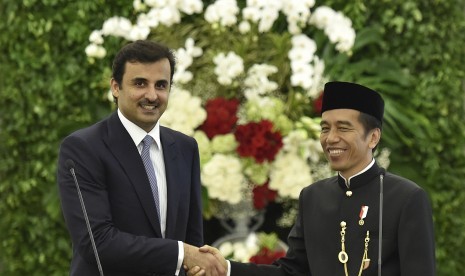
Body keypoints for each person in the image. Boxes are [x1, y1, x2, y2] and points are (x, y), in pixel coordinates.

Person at [190, 81, 436, 275]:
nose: (330, 138)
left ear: (373, 137)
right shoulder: (313, 197)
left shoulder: (406, 198)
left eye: (343, 128)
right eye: (325, 128)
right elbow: (290, 272)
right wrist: (228, 269)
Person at [57, 40, 225, 276]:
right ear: (116, 87)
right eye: (140, 83)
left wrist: (196, 265)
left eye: (161, 85)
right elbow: (97, 243)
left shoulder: (185, 148)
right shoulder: (83, 149)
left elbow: (193, 239)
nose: (152, 95)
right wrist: (181, 254)